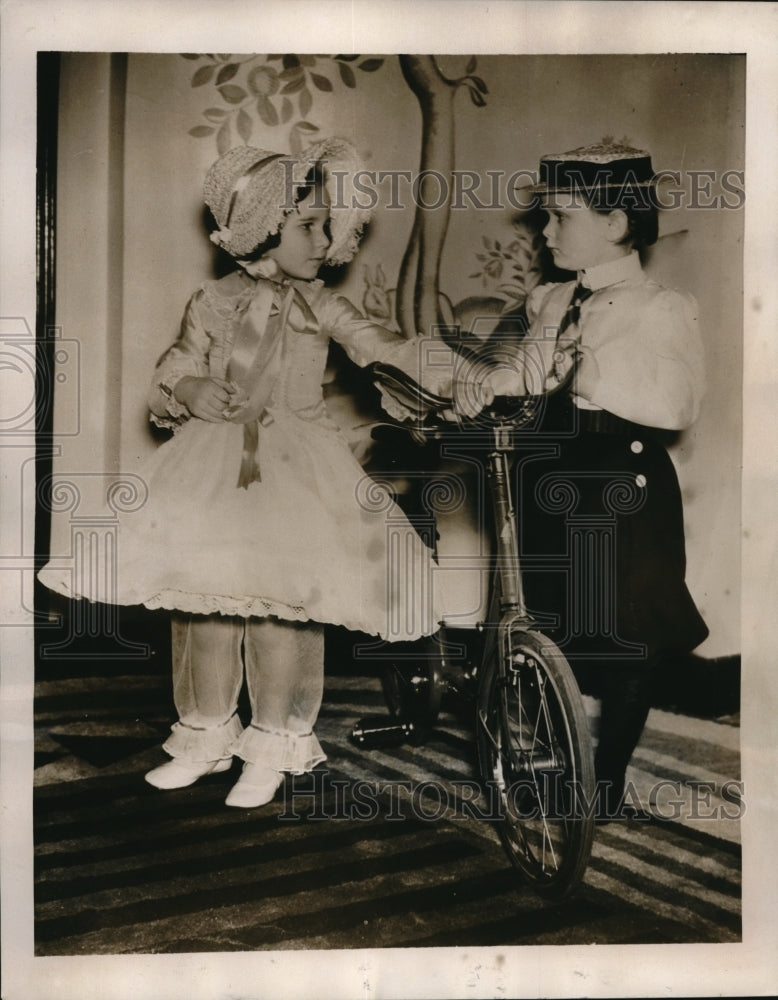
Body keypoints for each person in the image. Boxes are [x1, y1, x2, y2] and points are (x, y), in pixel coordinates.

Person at [39, 139, 455, 809]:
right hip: (213, 467)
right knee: (203, 606)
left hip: (295, 469)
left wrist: (448, 373)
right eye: (308, 225)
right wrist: (191, 388)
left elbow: (381, 347)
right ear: (263, 230)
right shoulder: (211, 301)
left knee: (283, 612)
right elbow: (171, 370)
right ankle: (203, 734)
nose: (325, 239)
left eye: (325, 223)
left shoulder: (323, 306)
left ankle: (272, 741)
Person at [462, 142, 709, 820]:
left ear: (616, 222)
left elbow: (679, 405)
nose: (546, 234)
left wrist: (601, 381)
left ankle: (605, 782)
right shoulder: (553, 300)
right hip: (552, 473)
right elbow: (525, 374)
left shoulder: (660, 306)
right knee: (550, 617)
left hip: (624, 483)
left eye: (560, 217)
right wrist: (482, 384)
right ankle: (552, 753)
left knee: (629, 634)